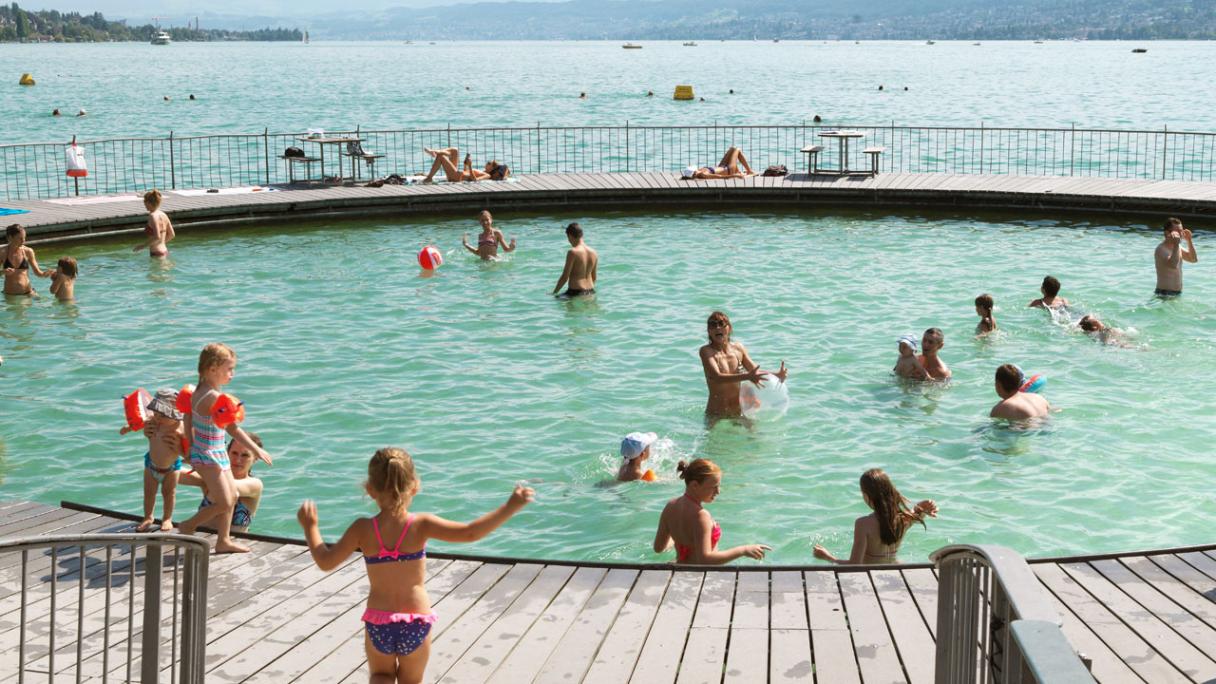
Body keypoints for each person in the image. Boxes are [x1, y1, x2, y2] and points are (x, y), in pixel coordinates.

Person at [297, 448, 534, 684]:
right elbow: (470, 533)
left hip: (379, 621)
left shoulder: (363, 529)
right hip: (415, 622)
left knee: (381, 677)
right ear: (415, 487)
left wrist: (311, 527)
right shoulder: (420, 525)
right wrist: (510, 507)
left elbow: (326, 561)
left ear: (370, 490)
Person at [177, 343, 272, 553]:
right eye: (229, 369)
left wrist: (190, 445)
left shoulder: (198, 391)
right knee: (226, 500)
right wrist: (257, 450)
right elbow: (232, 429)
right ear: (212, 369)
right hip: (209, 455)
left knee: (231, 497)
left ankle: (223, 540)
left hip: (215, 452)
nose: (232, 374)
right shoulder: (211, 397)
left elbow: (187, 415)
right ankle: (189, 525)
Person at [652, 459, 769, 564]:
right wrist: (743, 550)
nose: (718, 492)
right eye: (714, 487)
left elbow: (659, 548)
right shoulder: (701, 515)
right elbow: (705, 559)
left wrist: (679, 536)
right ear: (694, 485)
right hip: (701, 576)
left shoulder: (670, 506)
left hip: (680, 569)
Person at [812, 468, 937, 565]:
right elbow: (916, 514)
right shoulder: (903, 519)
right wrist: (923, 507)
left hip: (871, 576)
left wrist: (828, 557)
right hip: (895, 570)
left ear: (867, 496)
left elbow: (854, 566)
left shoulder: (863, 524)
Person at [700, 310, 788, 417]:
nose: (717, 328)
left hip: (739, 411)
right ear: (709, 331)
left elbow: (754, 371)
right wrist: (747, 376)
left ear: (729, 328)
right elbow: (717, 377)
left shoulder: (738, 349)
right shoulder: (706, 351)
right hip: (716, 412)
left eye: (721, 324)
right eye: (713, 325)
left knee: (756, 434)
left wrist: (776, 375)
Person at [179, 433, 266, 532]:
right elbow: (173, 474)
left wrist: (199, 464)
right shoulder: (212, 478)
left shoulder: (255, 484)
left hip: (235, 542)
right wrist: (176, 451)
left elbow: (228, 487)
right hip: (200, 539)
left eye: (245, 455)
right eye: (234, 453)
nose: (238, 460)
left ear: (255, 458)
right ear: (227, 453)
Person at [136, 389, 188, 532]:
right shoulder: (153, 422)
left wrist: (183, 443)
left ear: (175, 413)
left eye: (163, 415)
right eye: (156, 413)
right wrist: (145, 432)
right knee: (149, 493)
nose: (158, 418)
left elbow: (189, 451)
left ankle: (167, 518)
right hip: (151, 464)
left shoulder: (180, 427)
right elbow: (144, 430)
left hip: (172, 468)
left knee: (169, 493)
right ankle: (148, 517)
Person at [1154, 217, 1198, 297]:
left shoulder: (1177, 247)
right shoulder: (1160, 249)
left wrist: (1189, 240)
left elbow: (1193, 259)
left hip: (1177, 294)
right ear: (1167, 233)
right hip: (1164, 294)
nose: (1181, 234)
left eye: (1181, 231)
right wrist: (1176, 244)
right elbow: (1173, 265)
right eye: (1177, 231)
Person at [552, 222, 598, 297]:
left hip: (575, 292)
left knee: (555, 299)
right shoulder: (594, 252)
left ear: (570, 236)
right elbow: (594, 277)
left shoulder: (573, 252)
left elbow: (564, 277)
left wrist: (554, 293)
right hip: (591, 291)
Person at [2, 224, 50, 296]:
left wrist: (45, 274)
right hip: (10, 295)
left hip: (27, 293)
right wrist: (2, 272)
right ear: (10, 237)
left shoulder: (28, 251)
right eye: (20, 238)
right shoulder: (2, 252)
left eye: (24, 238)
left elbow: (38, 273)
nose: (23, 241)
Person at [421, 148, 509, 183]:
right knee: (455, 151)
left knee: (442, 157)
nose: (487, 162)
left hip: (456, 177)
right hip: (458, 174)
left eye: (490, 163)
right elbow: (467, 173)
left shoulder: (487, 175)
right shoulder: (483, 171)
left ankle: (429, 177)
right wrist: (466, 164)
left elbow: (475, 180)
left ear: (492, 169)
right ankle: (435, 151)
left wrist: (470, 166)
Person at [133, 189, 175, 258]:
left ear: (149, 203)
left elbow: (157, 236)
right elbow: (172, 234)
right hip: (165, 251)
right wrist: (161, 243)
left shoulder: (153, 216)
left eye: (145, 202)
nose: (144, 205)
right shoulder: (163, 214)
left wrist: (142, 246)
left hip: (156, 254)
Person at [681, 146, 756, 180]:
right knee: (737, 149)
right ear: (694, 173)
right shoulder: (703, 174)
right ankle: (749, 171)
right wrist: (734, 175)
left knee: (732, 148)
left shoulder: (700, 171)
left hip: (722, 166)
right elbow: (720, 177)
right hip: (728, 169)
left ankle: (741, 171)